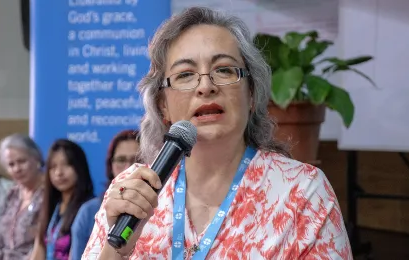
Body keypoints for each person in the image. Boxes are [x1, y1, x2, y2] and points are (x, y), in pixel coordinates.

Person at [83, 7, 352, 260]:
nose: (206, 86)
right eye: (185, 74)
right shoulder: (132, 190)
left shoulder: (302, 191)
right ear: (162, 104)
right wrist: (116, 251)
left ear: (251, 93)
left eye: (224, 69)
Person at [70, 130, 140, 260]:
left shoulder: (161, 207)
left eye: (137, 160)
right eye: (121, 160)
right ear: (110, 165)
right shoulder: (90, 210)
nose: (129, 167)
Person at [0, 133, 45, 260]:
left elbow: (44, 244)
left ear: (37, 159)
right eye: (11, 165)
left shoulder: (49, 194)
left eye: (22, 161)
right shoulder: (12, 194)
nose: (17, 169)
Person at [30, 139, 94, 260]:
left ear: (79, 166)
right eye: (53, 167)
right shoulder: (52, 205)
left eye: (67, 165)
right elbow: (39, 248)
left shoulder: (90, 208)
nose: (59, 173)